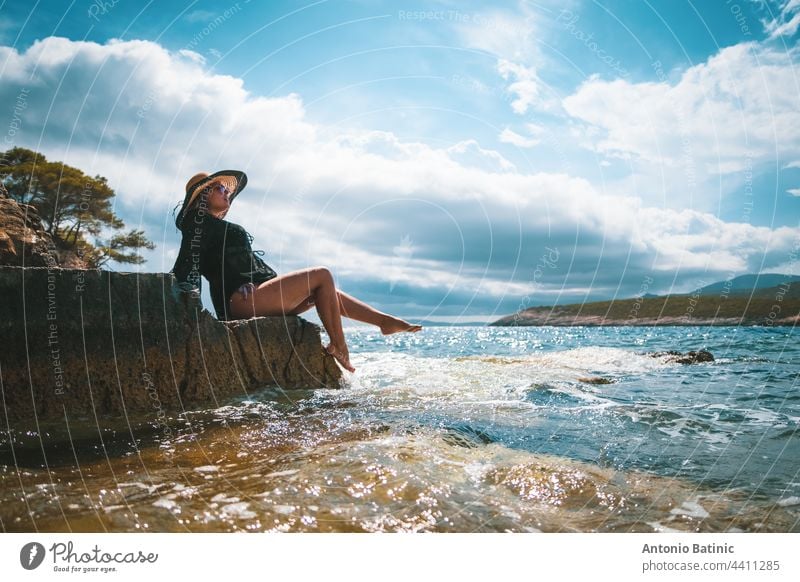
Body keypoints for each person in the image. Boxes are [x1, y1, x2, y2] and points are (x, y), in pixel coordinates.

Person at [170, 170, 422, 373]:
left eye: (227, 189)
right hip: (241, 301)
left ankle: (383, 321)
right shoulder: (197, 227)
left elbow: (228, 262)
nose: (226, 192)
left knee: (324, 291)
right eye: (219, 188)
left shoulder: (214, 227)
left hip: (253, 293)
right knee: (322, 275)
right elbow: (189, 266)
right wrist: (197, 309)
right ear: (202, 195)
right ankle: (340, 345)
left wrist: (244, 279)